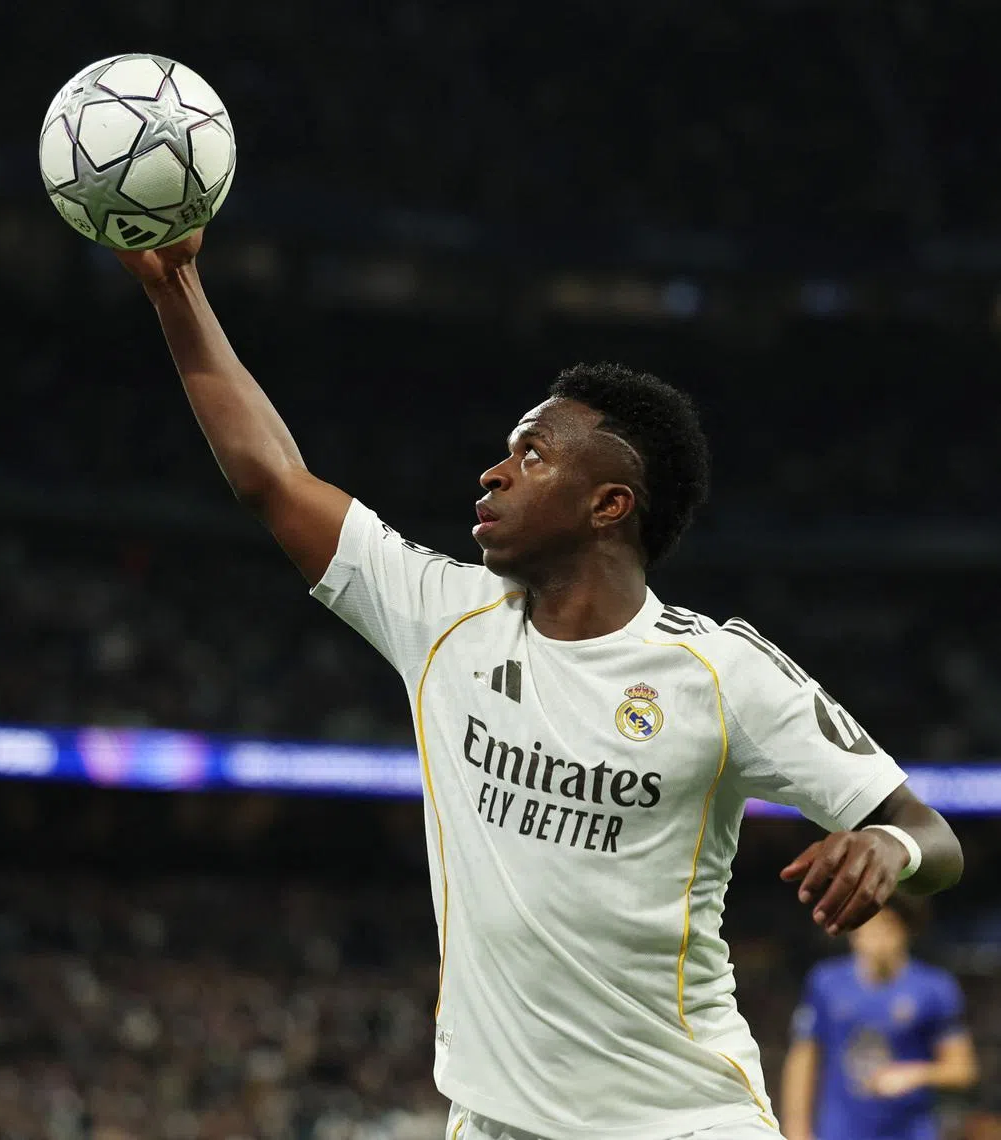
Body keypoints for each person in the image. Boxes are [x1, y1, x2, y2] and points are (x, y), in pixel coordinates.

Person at [112, 229, 964, 1140]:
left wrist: (890, 853)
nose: (495, 471)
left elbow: (931, 832)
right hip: (495, 1123)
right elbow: (272, 479)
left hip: (682, 1121)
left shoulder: (723, 674)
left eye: (532, 455)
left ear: (610, 505)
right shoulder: (442, 617)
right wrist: (177, 291)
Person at [780, 895, 977, 1140]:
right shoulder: (825, 983)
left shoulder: (935, 988)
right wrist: (796, 1131)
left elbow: (962, 1069)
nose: (877, 936)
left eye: (887, 925)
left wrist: (914, 1074)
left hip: (910, 1132)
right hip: (839, 1133)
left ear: (905, 931)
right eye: (866, 924)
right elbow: (802, 1060)